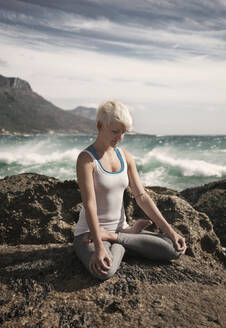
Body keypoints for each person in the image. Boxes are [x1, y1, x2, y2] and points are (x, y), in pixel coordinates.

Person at [74, 100, 187, 280]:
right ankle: (125, 241)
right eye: (115, 131)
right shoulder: (86, 159)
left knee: (174, 248)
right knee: (105, 271)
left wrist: (170, 231)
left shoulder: (125, 156)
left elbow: (141, 196)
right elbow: (90, 204)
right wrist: (99, 244)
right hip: (89, 234)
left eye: (124, 132)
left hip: (121, 229)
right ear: (99, 125)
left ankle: (116, 237)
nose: (119, 137)